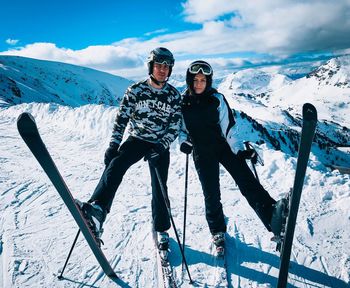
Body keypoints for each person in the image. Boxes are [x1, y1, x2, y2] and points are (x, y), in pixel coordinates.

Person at [78, 47, 182, 252]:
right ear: (151, 66)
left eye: (166, 67)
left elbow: (175, 126)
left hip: (159, 144)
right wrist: (113, 145)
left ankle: (161, 229)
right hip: (136, 139)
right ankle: (98, 209)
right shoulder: (135, 90)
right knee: (116, 165)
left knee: (160, 186)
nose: (163, 70)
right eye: (159, 65)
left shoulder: (173, 95)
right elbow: (121, 120)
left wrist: (162, 145)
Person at [179, 60, 285, 256]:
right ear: (190, 81)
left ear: (208, 81)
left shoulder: (217, 99)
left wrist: (238, 150)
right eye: (196, 80)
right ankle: (217, 231)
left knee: (246, 180)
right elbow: (181, 129)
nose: (199, 84)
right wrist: (183, 142)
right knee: (211, 194)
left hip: (222, 146)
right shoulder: (183, 102)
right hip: (201, 152)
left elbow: (229, 128)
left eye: (203, 80)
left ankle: (272, 217)